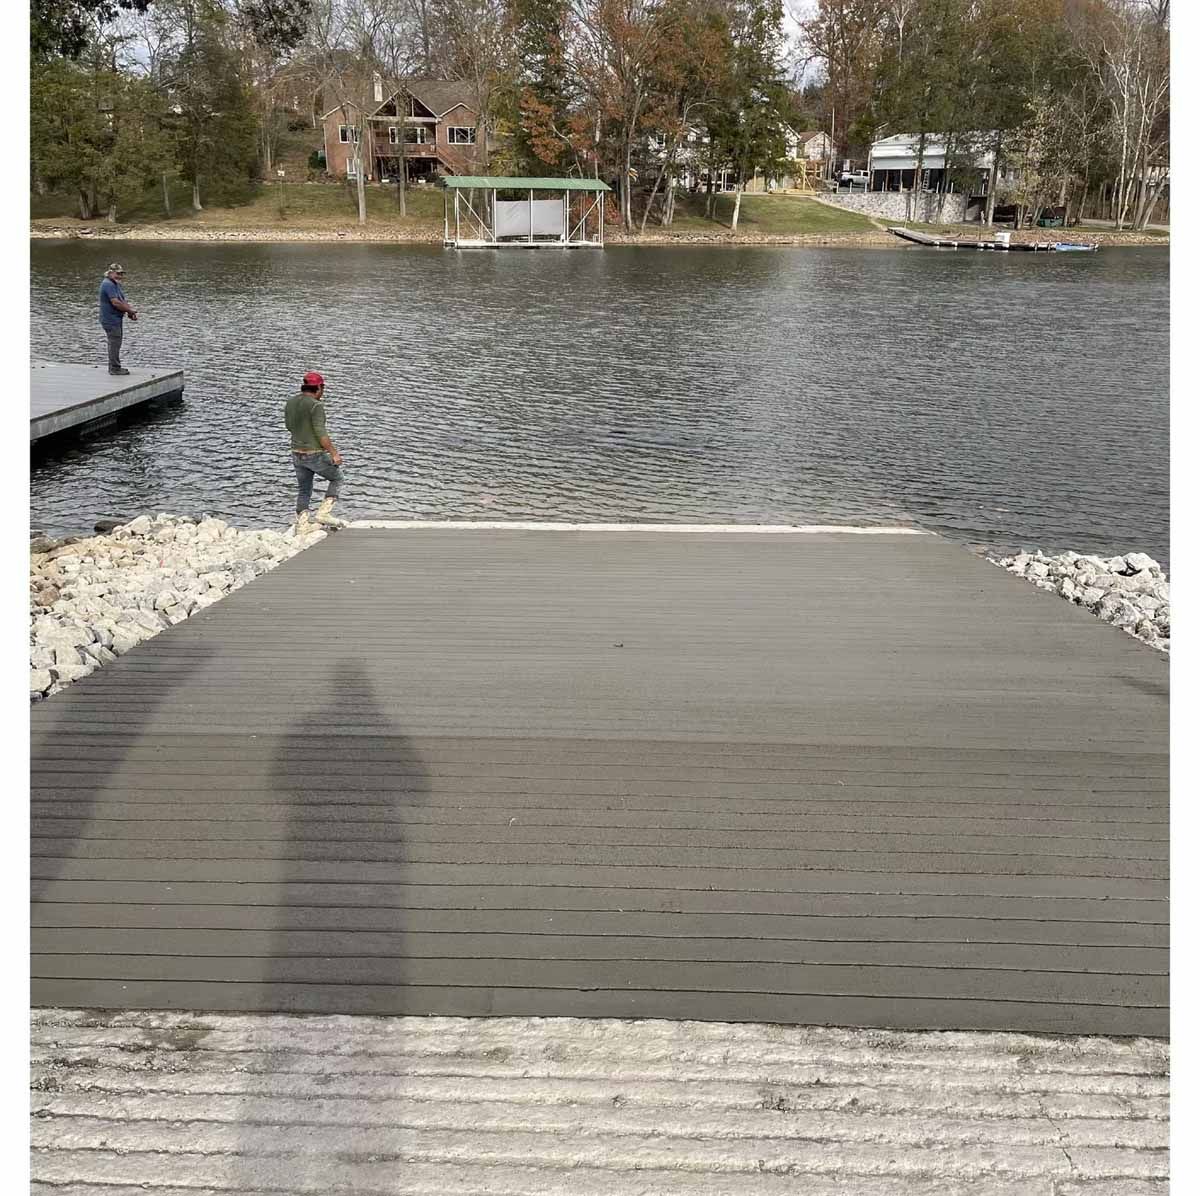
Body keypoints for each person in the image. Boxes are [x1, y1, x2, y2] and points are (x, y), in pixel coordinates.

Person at [284, 371, 348, 531]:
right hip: (314, 454)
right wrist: (334, 453)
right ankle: (323, 514)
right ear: (319, 387)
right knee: (337, 478)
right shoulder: (316, 406)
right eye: (323, 388)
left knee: (304, 489)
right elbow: (321, 433)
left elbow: (289, 427)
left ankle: (303, 523)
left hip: (296, 452)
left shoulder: (291, 402)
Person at [99, 263, 137, 375]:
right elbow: (115, 303)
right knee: (114, 343)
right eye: (118, 273)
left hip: (116, 319)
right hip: (110, 319)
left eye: (121, 274)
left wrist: (130, 311)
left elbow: (122, 300)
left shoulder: (115, 284)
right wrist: (129, 311)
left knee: (116, 342)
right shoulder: (107, 284)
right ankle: (114, 368)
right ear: (110, 273)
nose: (120, 276)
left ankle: (115, 367)